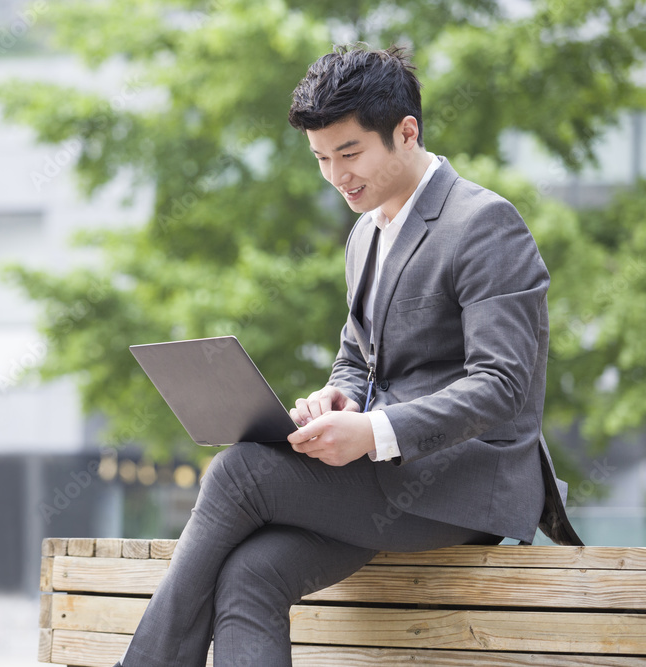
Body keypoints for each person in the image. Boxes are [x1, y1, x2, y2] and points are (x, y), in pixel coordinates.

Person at [116, 44, 579, 667]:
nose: (336, 175)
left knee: (239, 471)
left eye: (350, 152)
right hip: (387, 481)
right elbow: (358, 359)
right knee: (252, 572)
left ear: (406, 132)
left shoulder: (484, 224)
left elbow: (502, 386)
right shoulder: (365, 233)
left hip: (465, 482)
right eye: (321, 159)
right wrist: (339, 400)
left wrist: (372, 430)